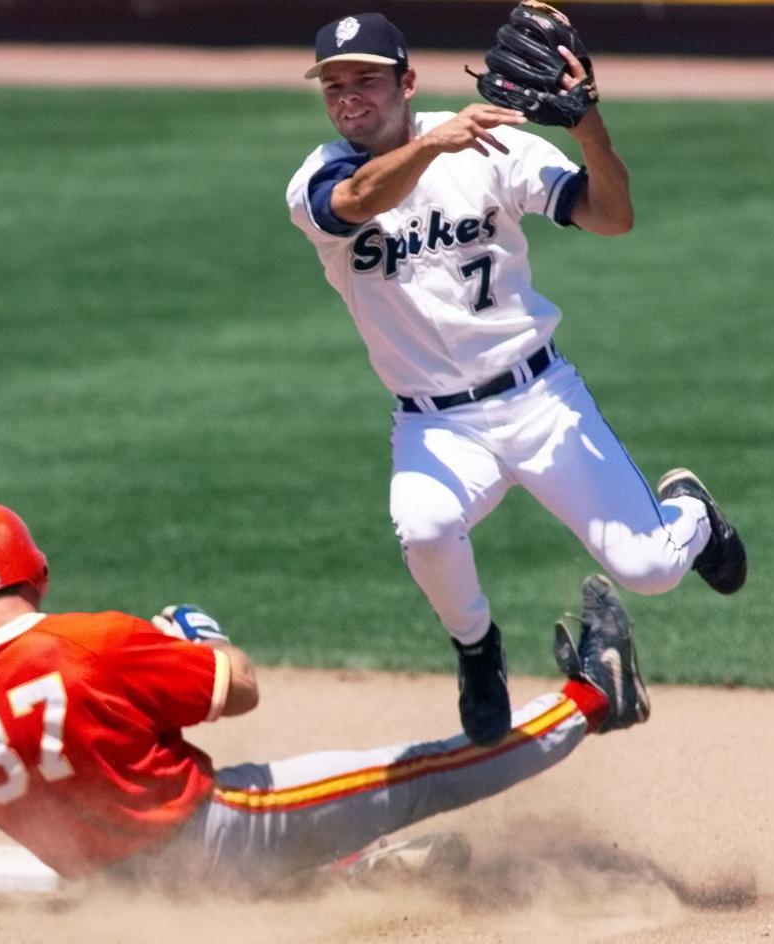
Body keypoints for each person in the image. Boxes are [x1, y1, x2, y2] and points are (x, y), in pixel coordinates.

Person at [285, 11, 746, 747]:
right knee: (426, 526)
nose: (349, 98)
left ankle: (692, 513)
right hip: (434, 422)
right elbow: (357, 202)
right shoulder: (322, 175)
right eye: (335, 85)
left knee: (651, 568)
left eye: (367, 80)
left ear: (407, 81)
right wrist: (435, 141)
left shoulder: (490, 144)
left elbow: (612, 216)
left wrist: (587, 124)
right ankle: (477, 649)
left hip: (541, 401)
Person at [0, 502, 649, 894]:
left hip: (121, 897)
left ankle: (353, 873)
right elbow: (240, 689)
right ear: (32, 570)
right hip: (221, 835)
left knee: (298, 849)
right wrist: (198, 633)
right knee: (417, 775)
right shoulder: (91, 642)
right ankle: (593, 696)